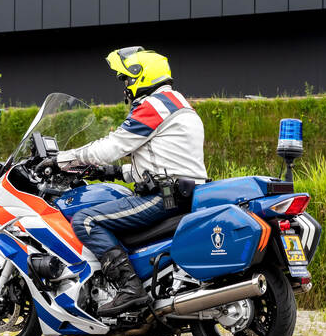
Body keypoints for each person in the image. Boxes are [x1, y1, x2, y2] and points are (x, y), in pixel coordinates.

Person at [40, 46, 207, 316]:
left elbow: (111, 147)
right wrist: (113, 173)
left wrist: (62, 160)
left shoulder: (153, 105)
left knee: (85, 220)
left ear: (141, 77)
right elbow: (162, 165)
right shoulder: (181, 106)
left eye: (127, 79)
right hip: (183, 192)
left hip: (163, 199)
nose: (126, 87)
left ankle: (130, 289)